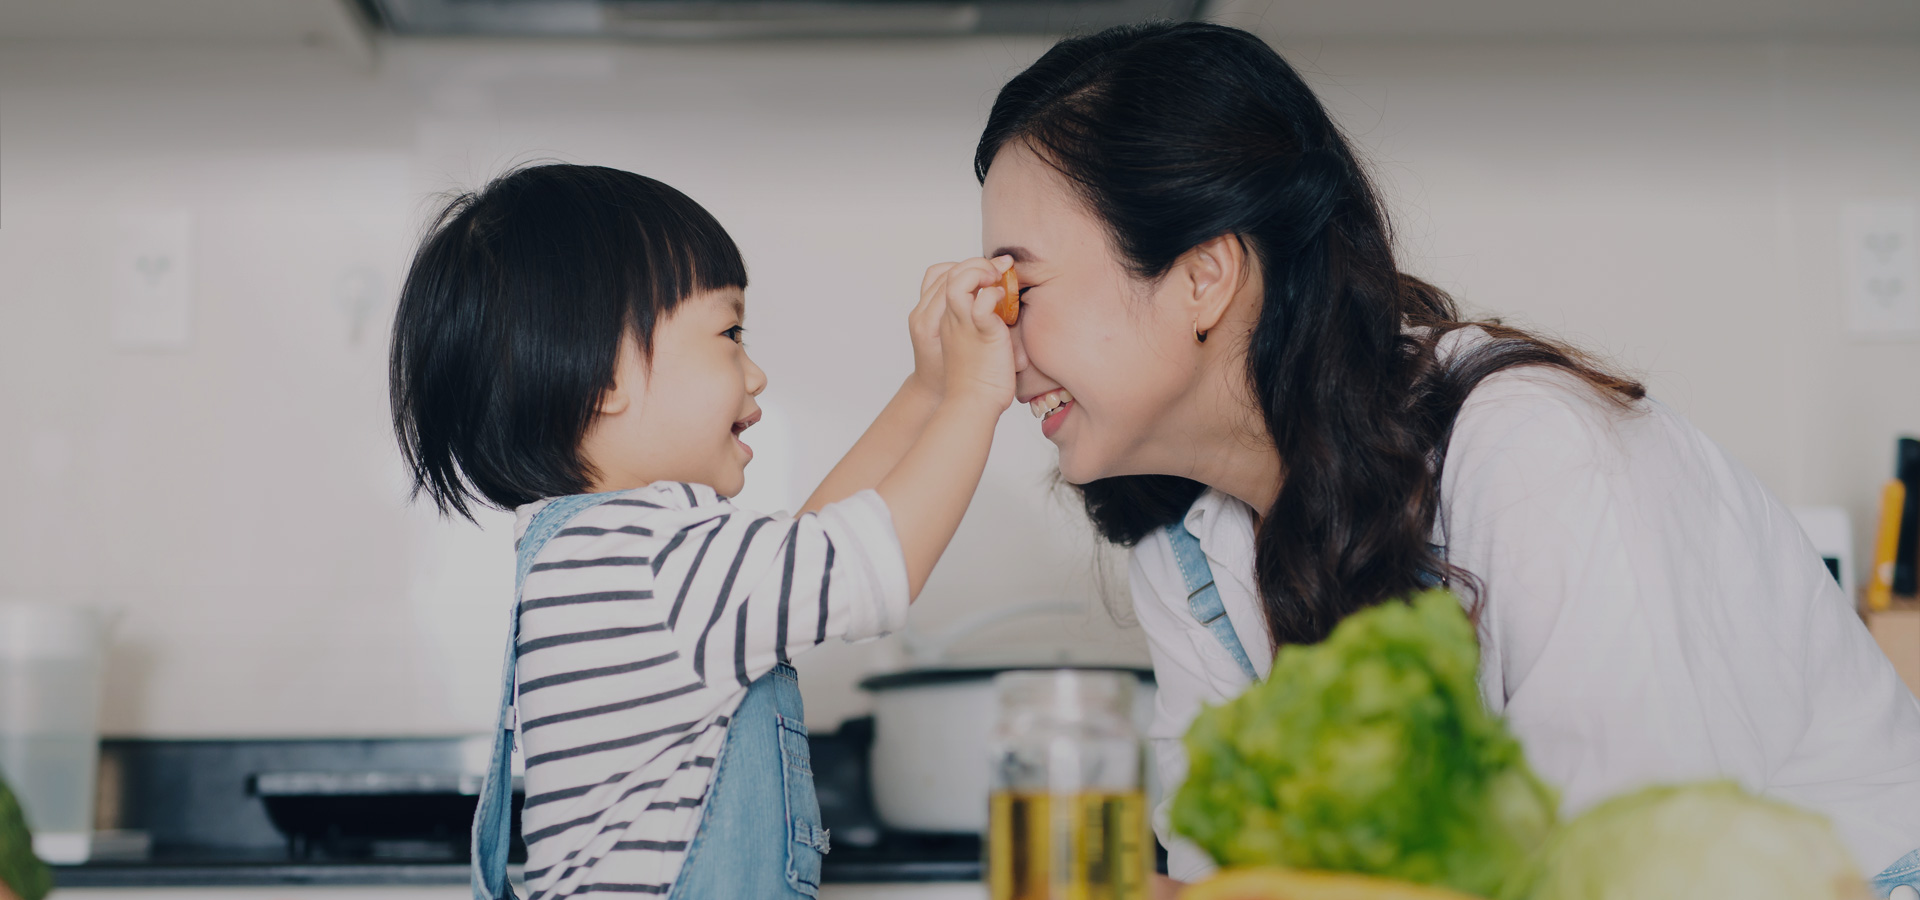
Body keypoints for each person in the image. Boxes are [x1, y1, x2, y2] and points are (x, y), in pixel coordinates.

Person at [976, 22, 1920, 896]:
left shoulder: (1532, 448)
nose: (998, 346)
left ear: (1203, 276)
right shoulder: (1185, 554)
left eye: (1021, 288)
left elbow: (1621, 870)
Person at [388, 164, 1016, 899]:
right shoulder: (654, 561)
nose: (756, 374)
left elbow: (810, 545)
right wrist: (974, 396)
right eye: (729, 331)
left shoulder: (605, 551)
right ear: (601, 377)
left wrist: (926, 392)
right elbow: (867, 562)